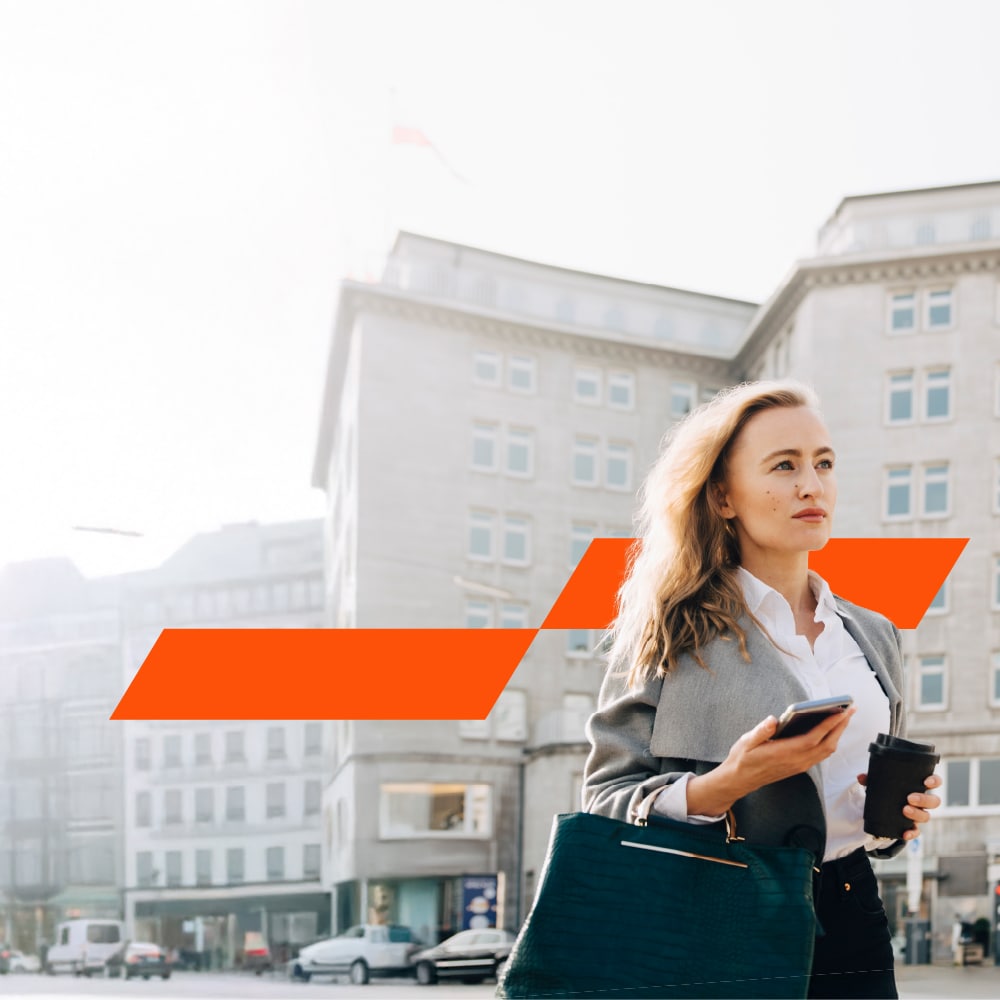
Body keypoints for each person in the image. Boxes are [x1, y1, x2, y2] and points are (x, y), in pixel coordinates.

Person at [583, 380, 942, 1000]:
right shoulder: (669, 630)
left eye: (823, 463)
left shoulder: (875, 633)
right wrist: (729, 783)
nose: (812, 486)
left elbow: (855, 813)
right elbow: (604, 800)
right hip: (718, 919)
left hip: (853, 911)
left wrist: (893, 820)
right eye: (784, 466)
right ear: (723, 496)